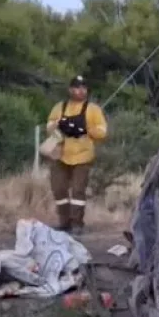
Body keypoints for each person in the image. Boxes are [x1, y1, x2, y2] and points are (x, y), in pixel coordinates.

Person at [46, 75, 108, 235]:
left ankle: (77, 224)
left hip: (83, 156)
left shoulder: (93, 109)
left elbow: (102, 131)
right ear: (70, 89)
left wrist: (86, 129)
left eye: (83, 88)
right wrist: (60, 125)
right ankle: (64, 222)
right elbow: (49, 125)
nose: (80, 91)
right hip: (60, 155)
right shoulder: (60, 107)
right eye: (77, 88)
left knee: (78, 191)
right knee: (59, 189)